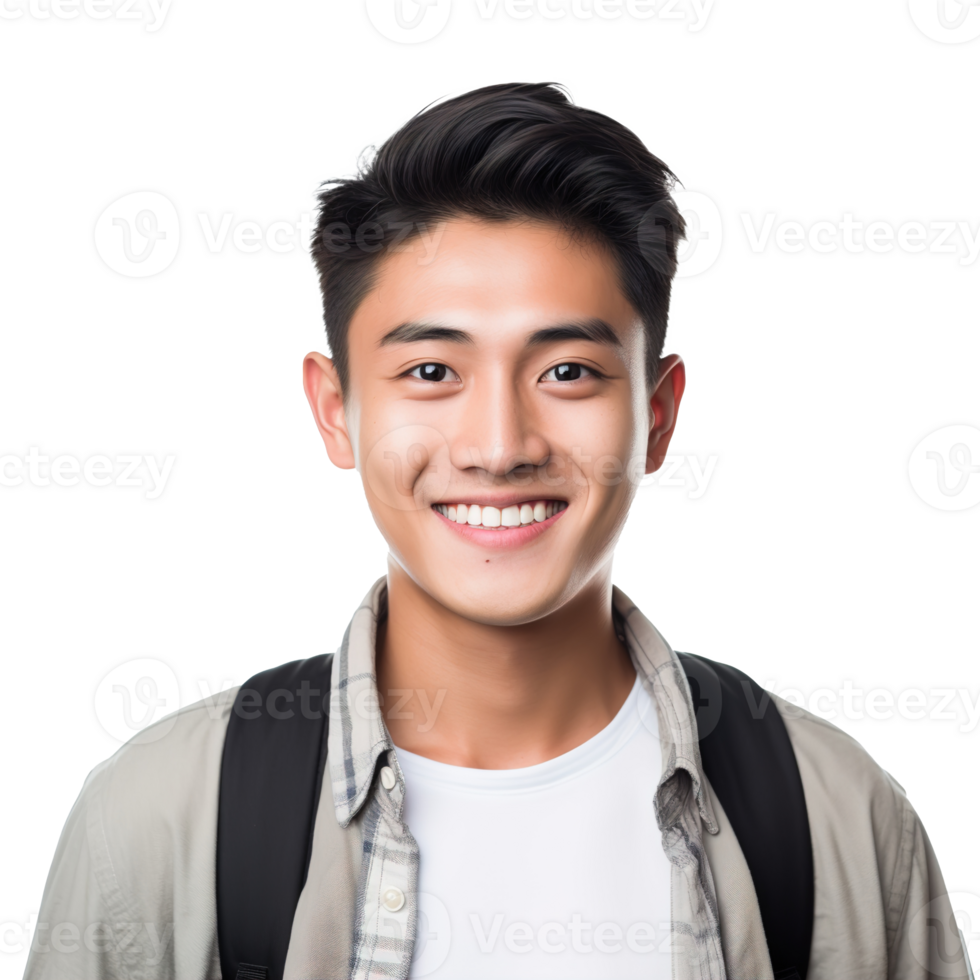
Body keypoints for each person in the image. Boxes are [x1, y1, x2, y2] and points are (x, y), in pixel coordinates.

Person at [23, 80, 970, 980]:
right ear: (335, 412)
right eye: (432, 372)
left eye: (567, 372)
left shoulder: (838, 817)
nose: (499, 445)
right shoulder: (157, 822)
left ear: (660, 415)